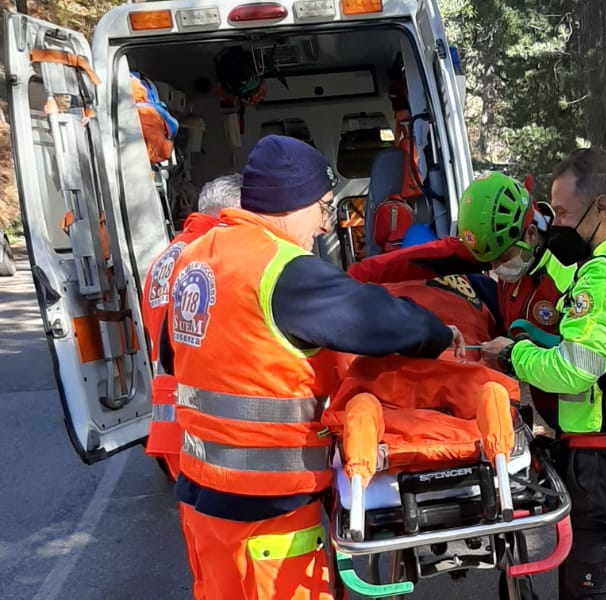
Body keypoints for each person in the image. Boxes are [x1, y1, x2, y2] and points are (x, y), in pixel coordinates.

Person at [159, 134, 465, 600]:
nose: (325, 225)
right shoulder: (283, 269)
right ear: (291, 202)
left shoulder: (195, 257)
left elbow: (170, 356)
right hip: (270, 516)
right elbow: (378, 318)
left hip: (202, 503)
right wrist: (443, 334)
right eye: (323, 207)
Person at [480, 148, 606, 600]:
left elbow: (577, 369)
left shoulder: (604, 275)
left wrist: (513, 356)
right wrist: (541, 340)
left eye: (566, 212)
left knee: (593, 588)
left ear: (601, 208)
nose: (559, 224)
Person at [347, 171, 575, 433]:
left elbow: (577, 363)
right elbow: (423, 259)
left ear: (531, 235)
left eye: (502, 258)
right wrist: (353, 278)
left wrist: (513, 355)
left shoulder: (569, 273)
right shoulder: (498, 240)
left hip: (578, 411)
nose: (496, 266)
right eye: (489, 260)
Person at [141, 173, 242, 481]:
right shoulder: (210, 256)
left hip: (170, 413)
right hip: (202, 420)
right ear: (229, 215)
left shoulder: (168, 254)